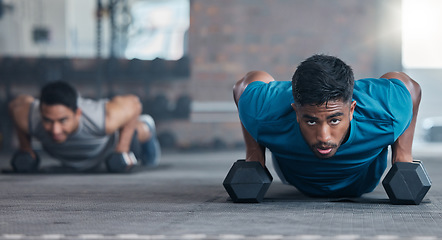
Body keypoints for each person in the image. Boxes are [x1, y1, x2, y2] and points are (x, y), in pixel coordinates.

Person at [233, 54, 421, 197]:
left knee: (392, 79)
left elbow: (412, 88)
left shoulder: (386, 111)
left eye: (334, 120)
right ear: (296, 112)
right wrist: (254, 155)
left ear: (352, 110)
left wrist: (403, 155)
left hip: (361, 181)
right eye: (311, 121)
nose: (324, 137)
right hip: (296, 178)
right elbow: (243, 86)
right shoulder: (264, 113)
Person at [8, 81, 161, 172]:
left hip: (107, 149)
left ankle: (147, 125)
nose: (55, 130)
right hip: (74, 158)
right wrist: (25, 148)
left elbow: (134, 103)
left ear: (78, 113)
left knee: (138, 130)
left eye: (62, 121)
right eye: (48, 121)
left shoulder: (100, 118)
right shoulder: (29, 117)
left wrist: (122, 149)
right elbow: (15, 106)